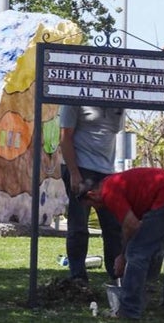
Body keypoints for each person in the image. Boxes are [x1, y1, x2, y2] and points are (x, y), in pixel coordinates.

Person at [78, 167, 164, 322]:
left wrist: (123, 256)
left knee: (136, 254)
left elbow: (130, 225)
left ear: (92, 194)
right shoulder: (119, 182)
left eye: (91, 205)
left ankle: (129, 311)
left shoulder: (108, 192)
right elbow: (138, 224)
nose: (95, 209)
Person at [59, 105, 124, 284]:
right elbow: (65, 136)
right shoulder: (74, 98)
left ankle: (117, 276)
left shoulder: (118, 102)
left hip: (107, 171)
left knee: (113, 226)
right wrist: (73, 172)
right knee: (79, 225)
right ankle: (78, 278)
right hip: (81, 168)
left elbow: (113, 133)